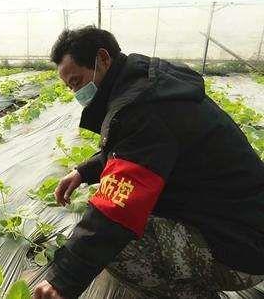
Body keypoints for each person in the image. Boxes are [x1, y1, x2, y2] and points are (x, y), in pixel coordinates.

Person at [33, 26, 264, 298]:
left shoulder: (143, 108)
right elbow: (135, 149)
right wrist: (83, 172)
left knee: (118, 244)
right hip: (240, 223)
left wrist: (62, 279)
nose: (77, 93)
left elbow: (116, 210)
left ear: (103, 59)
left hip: (242, 250)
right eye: (71, 87)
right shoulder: (146, 86)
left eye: (77, 81)